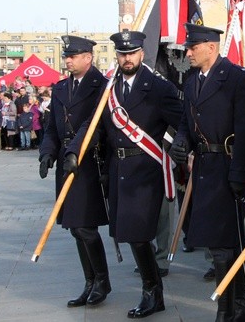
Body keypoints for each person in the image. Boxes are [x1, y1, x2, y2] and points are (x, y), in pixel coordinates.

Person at [69, 30, 183, 319]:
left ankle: (152, 293)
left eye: (132, 53)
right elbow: (92, 125)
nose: (127, 58)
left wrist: (171, 147)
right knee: (129, 233)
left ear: (142, 53)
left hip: (146, 169)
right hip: (119, 169)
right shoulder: (110, 89)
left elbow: (183, 121)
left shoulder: (158, 87)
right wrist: (74, 150)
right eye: (122, 53)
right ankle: (151, 290)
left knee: (139, 234)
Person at [170, 24, 245, 320]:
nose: (188, 52)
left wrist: (241, 175)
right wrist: (181, 143)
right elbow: (186, 121)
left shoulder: (238, 78)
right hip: (204, 169)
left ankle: (231, 308)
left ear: (211, 46)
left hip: (228, 165)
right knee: (217, 244)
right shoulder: (192, 81)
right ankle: (236, 305)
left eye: (193, 47)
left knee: (227, 245)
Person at [38, 35, 111, 309]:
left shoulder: (100, 86)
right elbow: (52, 128)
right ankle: (90, 281)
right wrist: (47, 153)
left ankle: (101, 281)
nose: (67, 60)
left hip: (87, 161)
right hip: (65, 160)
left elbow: (95, 125)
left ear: (88, 57)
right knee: (74, 228)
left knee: (85, 226)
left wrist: (74, 152)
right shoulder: (60, 89)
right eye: (66, 55)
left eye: (73, 55)